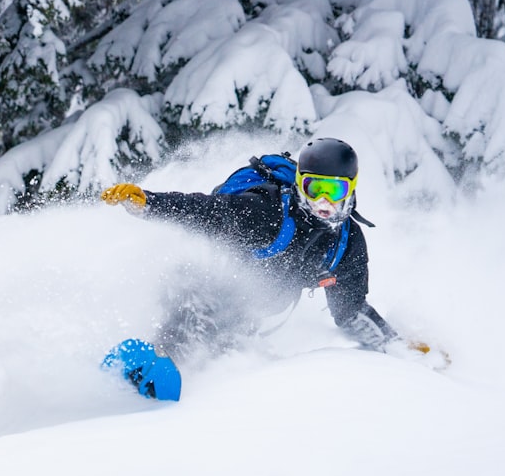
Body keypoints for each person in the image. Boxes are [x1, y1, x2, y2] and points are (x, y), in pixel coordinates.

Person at [100, 137, 441, 366]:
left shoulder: (345, 245)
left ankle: (187, 391)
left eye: (333, 190)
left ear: (350, 189)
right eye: (314, 188)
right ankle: (156, 362)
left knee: (227, 345)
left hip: (248, 315)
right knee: (196, 307)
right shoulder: (266, 213)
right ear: (299, 184)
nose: (323, 201)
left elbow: (350, 313)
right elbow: (204, 212)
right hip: (202, 283)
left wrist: (398, 346)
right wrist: (149, 203)